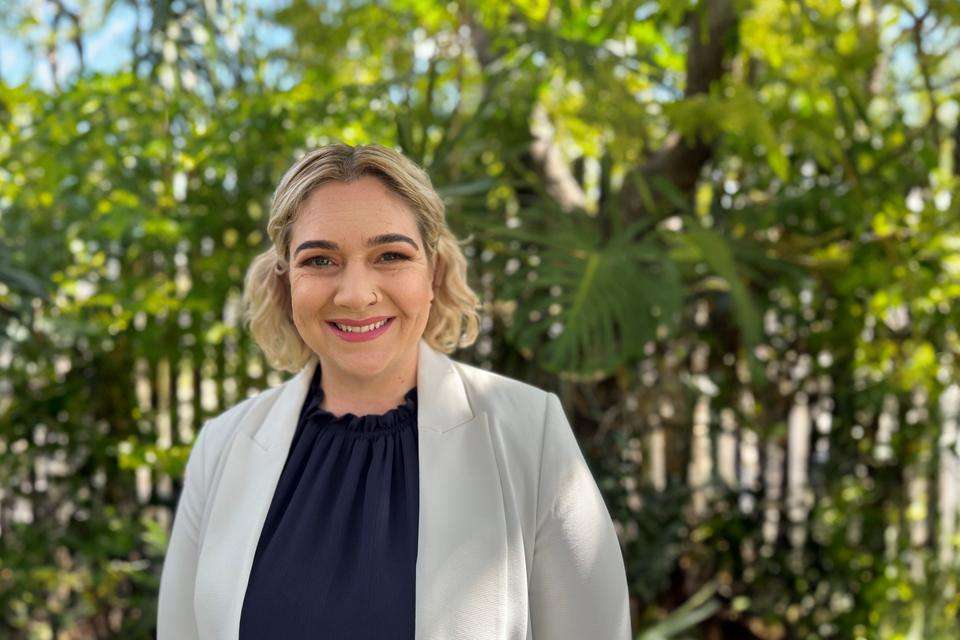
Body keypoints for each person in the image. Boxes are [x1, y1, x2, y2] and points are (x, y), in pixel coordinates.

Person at [156, 142, 630, 639]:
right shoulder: (222, 446)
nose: (356, 294)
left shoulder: (530, 434)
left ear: (434, 272)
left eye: (390, 255)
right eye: (319, 260)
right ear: (286, 280)